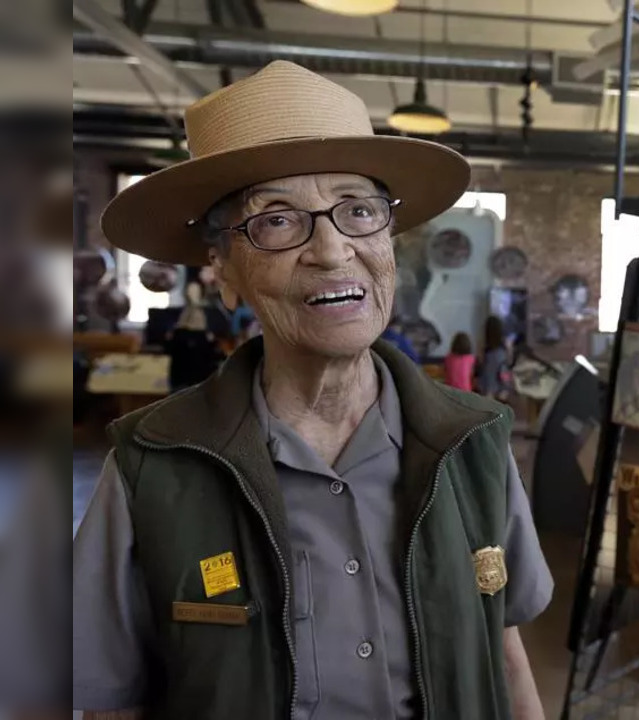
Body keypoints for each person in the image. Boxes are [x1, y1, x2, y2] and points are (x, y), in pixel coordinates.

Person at [73, 61, 552, 720]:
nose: (331, 250)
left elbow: (504, 655)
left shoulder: (475, 443)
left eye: (358, 210)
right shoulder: (150, 463)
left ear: (387, 237)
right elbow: (107, 703)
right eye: (276, 220)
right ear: (223, 269)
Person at [164, 280, 224, 391]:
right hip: (181, 377)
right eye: (190, 290)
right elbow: (169, 347)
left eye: (196, 291)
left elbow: (217, 348)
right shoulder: (178, 316)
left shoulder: (212, 313)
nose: (192, 294)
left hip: (203, 377)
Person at [478, 315, 512, 400]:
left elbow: (481, 366)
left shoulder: (485, 350)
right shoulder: (504, 348)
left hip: (487, 388)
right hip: (501, 387)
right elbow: (508, 365)